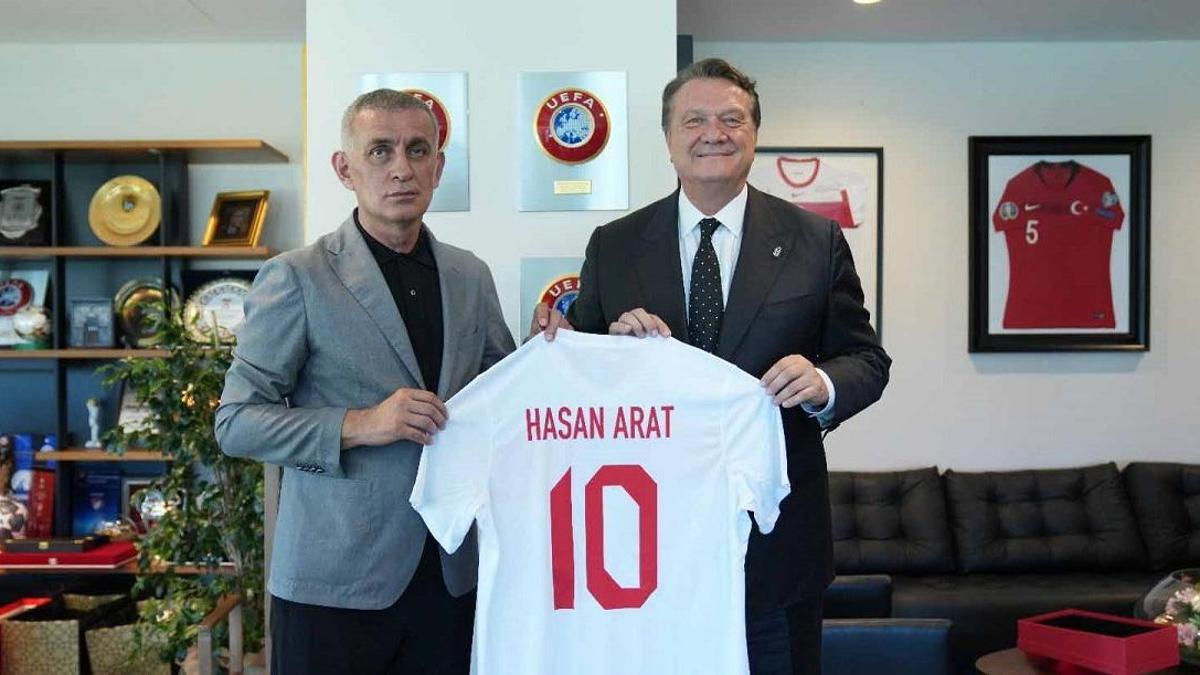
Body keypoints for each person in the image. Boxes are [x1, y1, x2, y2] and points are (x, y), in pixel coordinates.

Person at [532, 58, 891, 674]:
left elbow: (867, 359)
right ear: (668, 138)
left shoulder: (815, 240)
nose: (713, 133)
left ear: (755, 133)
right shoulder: (615, 245)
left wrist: (823, 383)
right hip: (645, 546)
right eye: (694, 120)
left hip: (776, 545)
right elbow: (580, 378)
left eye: (731, 119)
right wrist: (603, 348)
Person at [216, 88, 514, 675]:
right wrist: (361, 424)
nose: (401, 168)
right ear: (344, 168)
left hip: (452, 576)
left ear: (438, 167)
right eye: (380, 150)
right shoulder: (296, 277)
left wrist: (549, 349)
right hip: (333, 583)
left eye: (417, 150)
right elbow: (236, 423)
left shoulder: (470, 276)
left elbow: (499, 398)